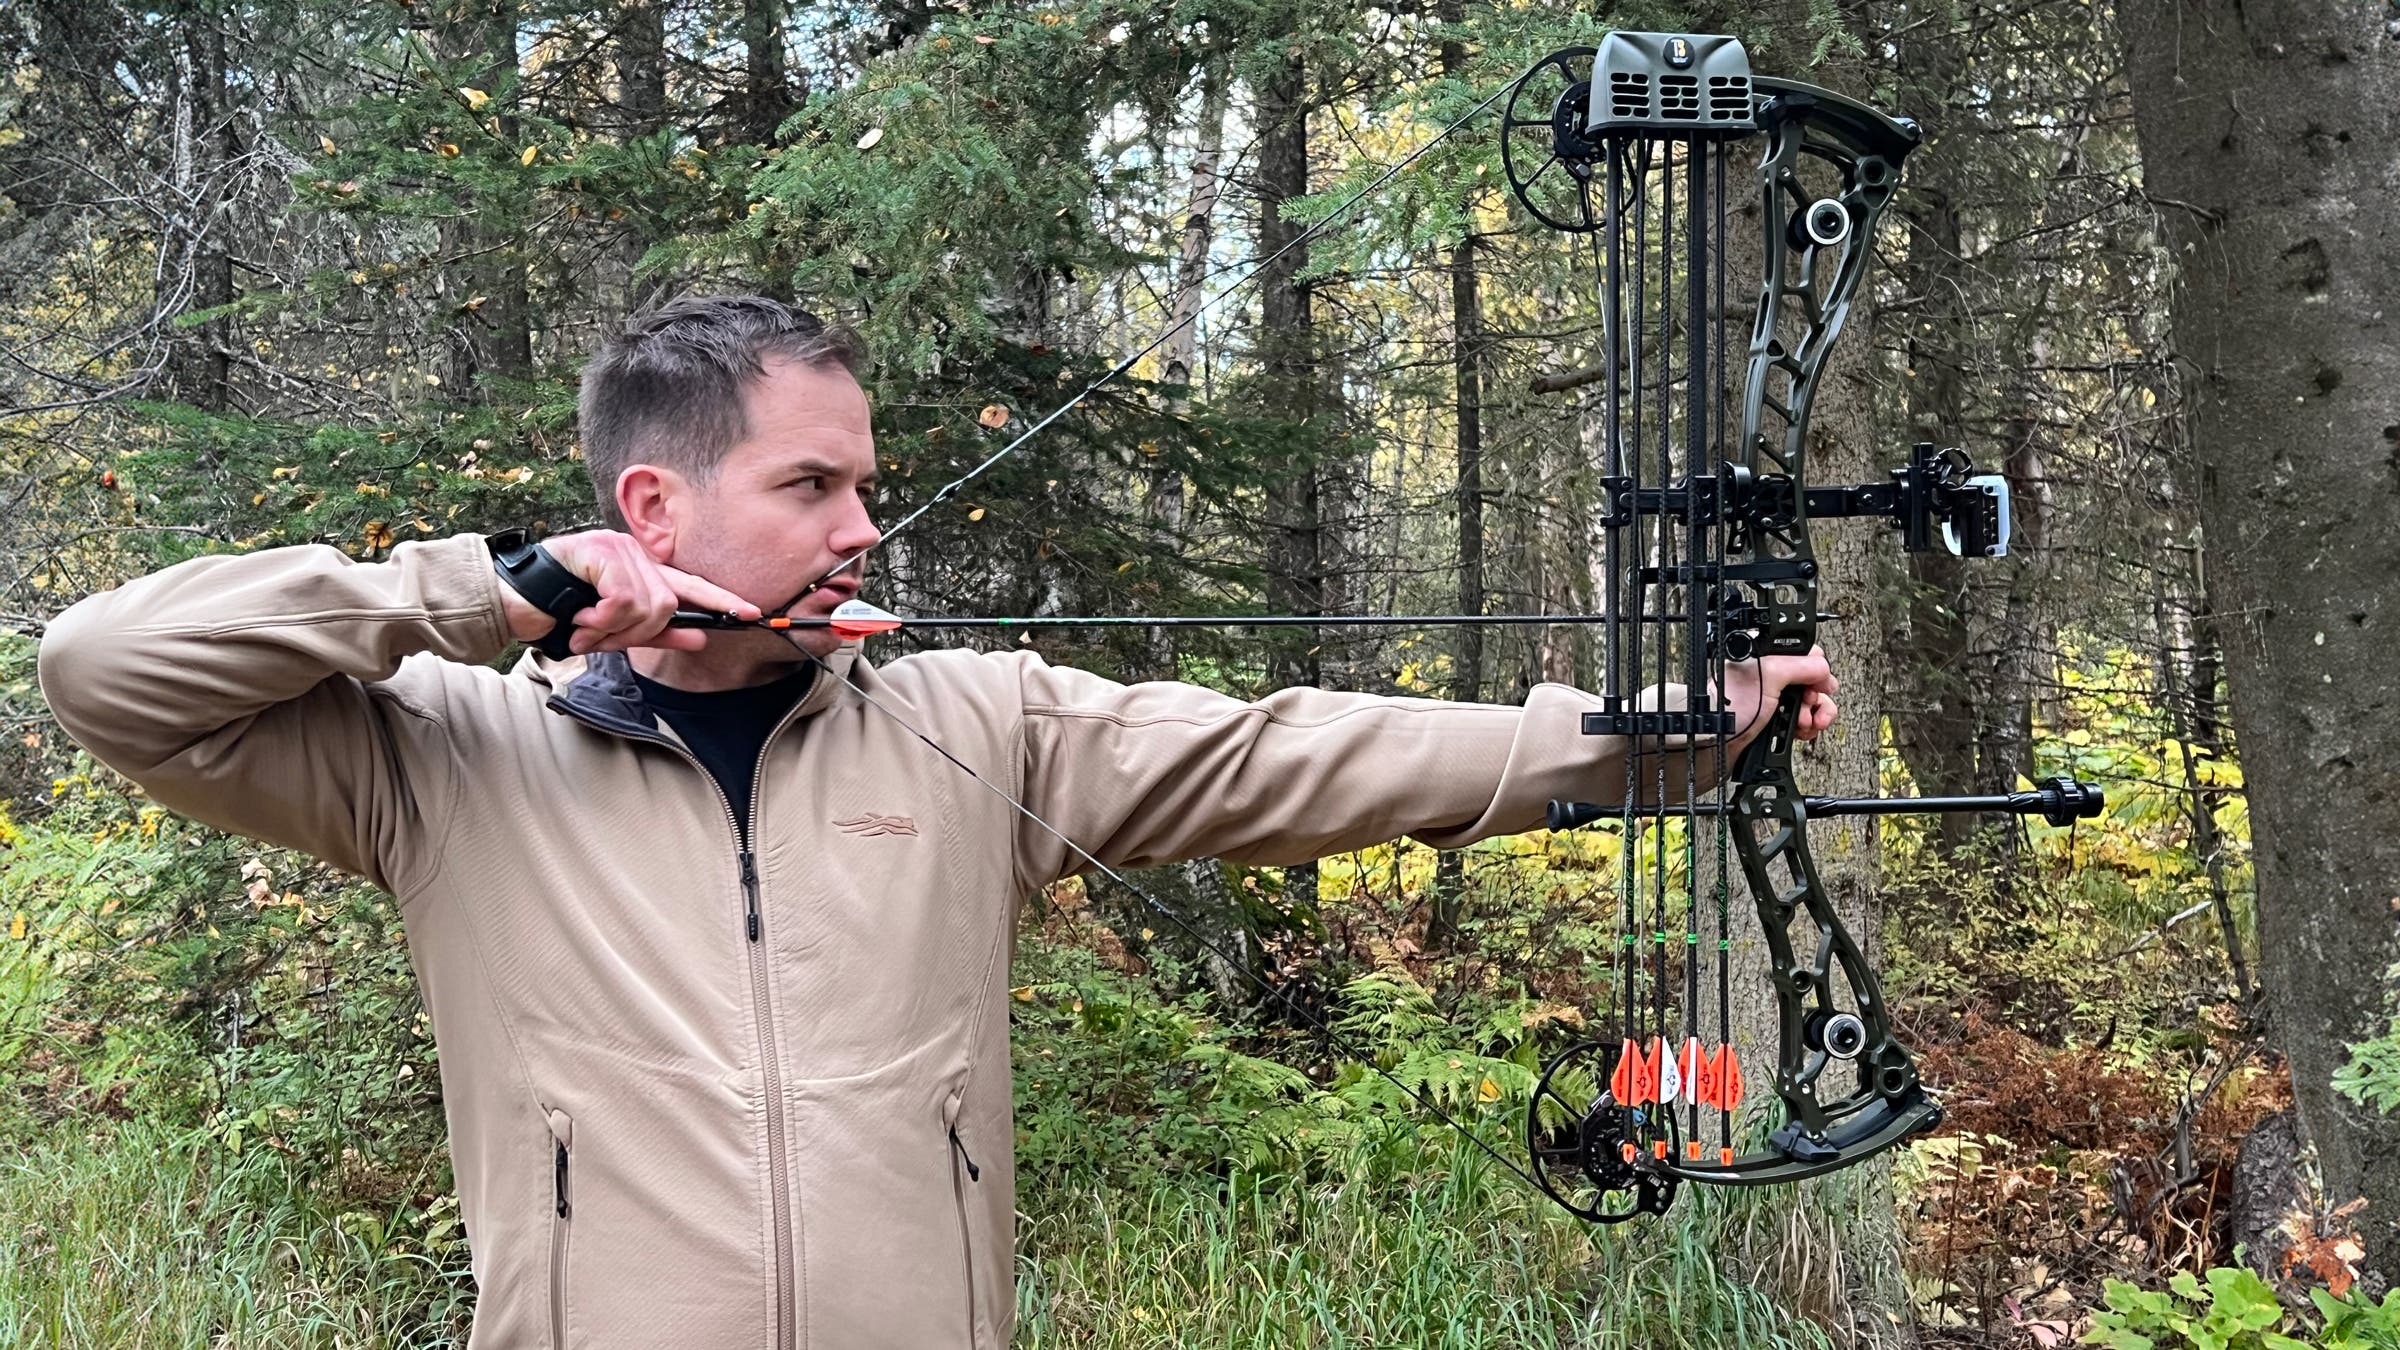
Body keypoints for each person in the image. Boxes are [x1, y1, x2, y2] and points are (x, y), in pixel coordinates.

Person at [37, 295, 1838, 1349]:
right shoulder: (441, 757)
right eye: (810, 484)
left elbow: (1301, 751)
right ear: (650, 505)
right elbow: (102, 670)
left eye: (867, 485)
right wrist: (478, 590)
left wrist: (1652, 738)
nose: (860, 529)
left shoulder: (974, 725)